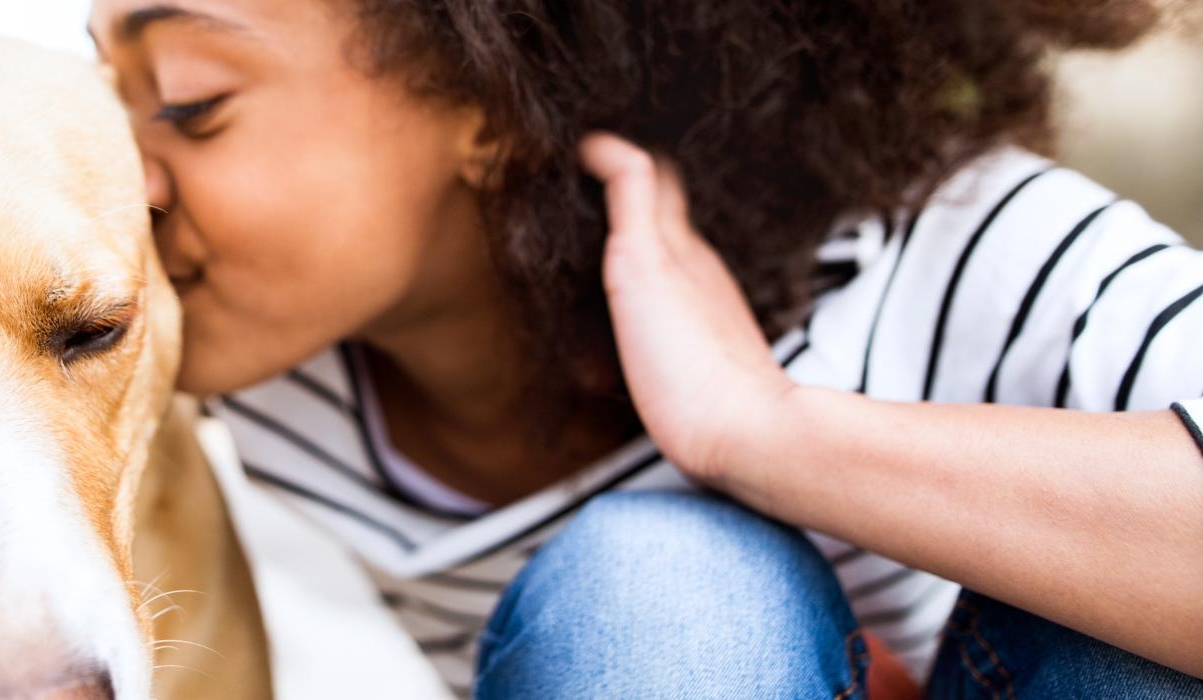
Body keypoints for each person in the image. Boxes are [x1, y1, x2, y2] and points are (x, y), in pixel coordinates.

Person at [86, 0, 1203, 696]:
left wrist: (761, 432)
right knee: (658, 585)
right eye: (104, 100)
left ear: (489, 98)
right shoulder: (260, 372)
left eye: (189, 102)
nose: (118, 173)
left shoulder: (958, 254)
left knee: (660, 579)